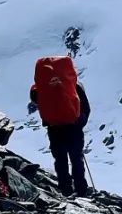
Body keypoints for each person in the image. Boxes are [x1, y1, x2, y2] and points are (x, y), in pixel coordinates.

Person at [29, 67, 91, 198]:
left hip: (54, 128)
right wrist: (80, 122)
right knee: (76, 159)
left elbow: (35, 100)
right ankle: (81, 190)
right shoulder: (75, 85)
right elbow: (86, 108)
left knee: (60, 160)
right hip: (74, 128)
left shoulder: (45, 85)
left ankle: (65, 189)